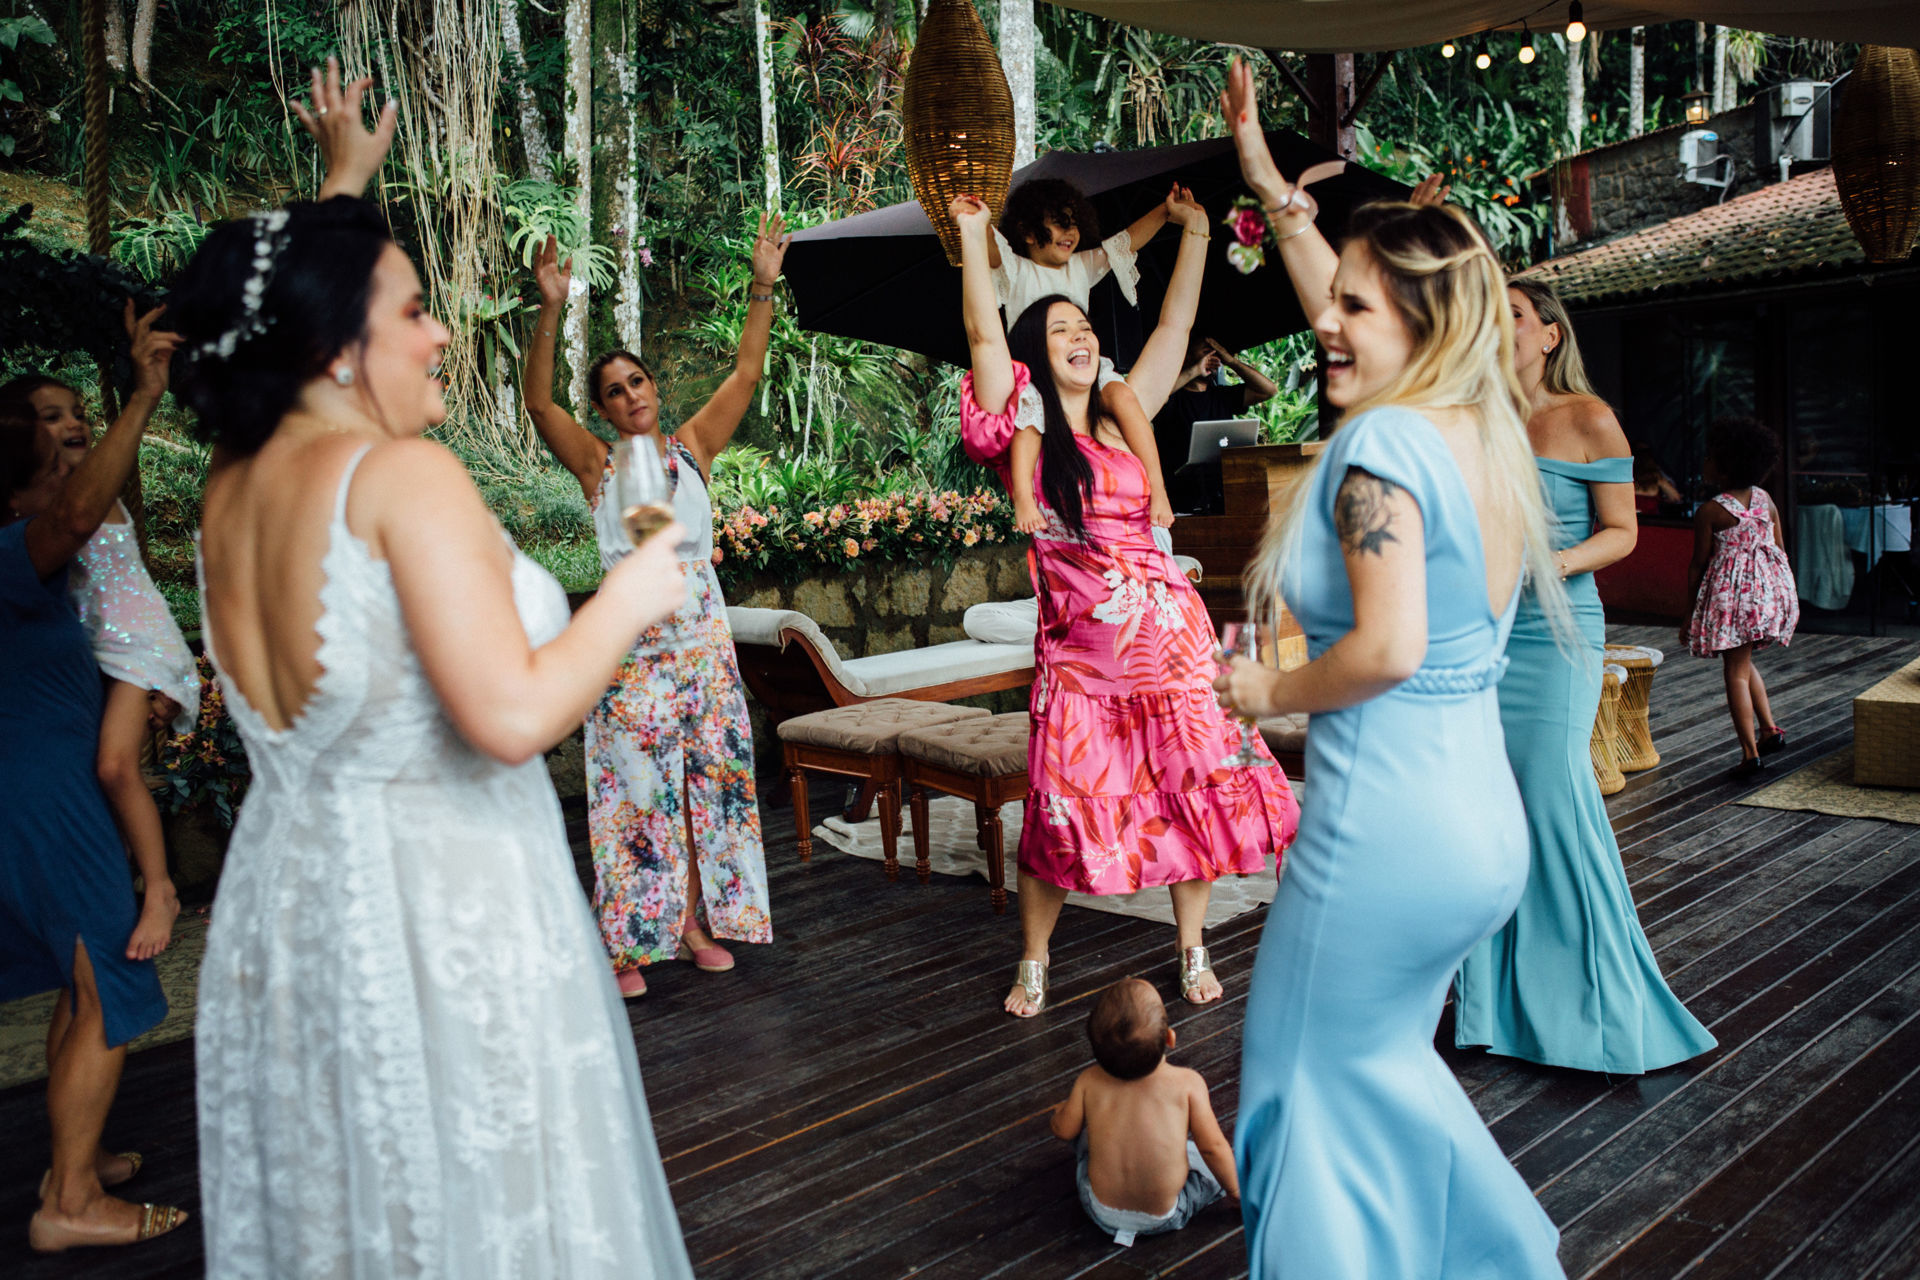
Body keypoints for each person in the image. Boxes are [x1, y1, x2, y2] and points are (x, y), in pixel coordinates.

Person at [183, 62, 695, 1277]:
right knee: (480, 1201)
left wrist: (344, 185)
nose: (442, 333)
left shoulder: (228, 493)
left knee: (363, 1206)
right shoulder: (403, 478)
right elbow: (510, 713)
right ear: (335, 345)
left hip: (295, 912)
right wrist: (632, 593)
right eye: (414, 311)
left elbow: (310, 305)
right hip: (444, 912)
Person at [1214, 58, 1567, 1278]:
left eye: (1357, 309)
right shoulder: (1484, 431)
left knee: (1298, 1087)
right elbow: (1348, 306)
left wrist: (1265, 692)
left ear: (1416, 327)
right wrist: (1271, 185)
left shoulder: (1379, 445)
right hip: (1479, 833)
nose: (1329, 320)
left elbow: (1387, 648)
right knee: (1379, 1068)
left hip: (1386, 833)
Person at [952, 184, 1299, 1020]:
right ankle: (1035, 959)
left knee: (1191, 788)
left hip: (1172, 646)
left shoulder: (1121, 416)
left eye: (1085, 327)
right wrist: (971, 238)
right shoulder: (1022, 427)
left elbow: (1175, 328)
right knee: (1059, 805)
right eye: (1061, 329)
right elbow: (983, 332)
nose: (1081, 335)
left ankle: (1192, 945)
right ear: (1034, 352)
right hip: (1082, 662)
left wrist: (1197, 234)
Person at [1452, 278, 1716, 1075]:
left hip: (1557, 628)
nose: (1497, 326)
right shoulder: (1475, 417)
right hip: (1482, 631)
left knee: (1553, 795)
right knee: (1487, 806)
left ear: (1550, 334)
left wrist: (1551, 565)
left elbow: (1622, 530)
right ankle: (1490, 1007)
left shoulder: (1588, 417)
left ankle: (1594, 1001)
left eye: (1513, 314)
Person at [523, 217, 781, 999]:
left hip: (702, 645)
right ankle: (625, 941)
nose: (630, 394)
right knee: (634, 790)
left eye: (636, 381)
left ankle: (691, 922)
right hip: (632, 650)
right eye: (614, 390)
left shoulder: (692, 450)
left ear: (654, 387)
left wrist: (762, 284)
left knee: (708, 782)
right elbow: (539, 403)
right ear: (603, 409)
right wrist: (551, 308)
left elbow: (746, 372)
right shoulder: (597, 465)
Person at [2, 305, 186, 1252]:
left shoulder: (27, 551)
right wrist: (144, 392)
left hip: (41, 784)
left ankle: (73, 1161)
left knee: (79, 985)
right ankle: (70, 1203)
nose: (66, 436)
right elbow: (79, 514)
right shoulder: (17, 546)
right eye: (47, 424)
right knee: (108, 977)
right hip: (44, 793)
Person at [3, 372, 199, 962]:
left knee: (115, 767)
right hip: (101, 652)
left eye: (76, 412)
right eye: (51, 417)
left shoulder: (89, 492)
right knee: (99, 775)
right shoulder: (38, 506)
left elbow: (77, 515)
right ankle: (118, 878)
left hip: (136, 644)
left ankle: (160, 887)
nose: (71, 424)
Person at [1002, 184, 1193, 538]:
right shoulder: (1014, 269)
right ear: (1027, 232)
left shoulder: (1080, 265)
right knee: (1028, 422)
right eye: (1059, 223)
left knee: (1124, 396)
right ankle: (1024, 500)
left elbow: (1126, 242)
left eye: (1074, 222)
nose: (1070, 232)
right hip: (1037, 372)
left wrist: (1165, 211)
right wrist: (975, 219)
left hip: (1082, 366)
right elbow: (987, 248)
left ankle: (1158, 487)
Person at [1049, 977, 1237, 1246]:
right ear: (1170, 1038)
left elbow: (1065, 1131)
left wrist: (1060, 1114)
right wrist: (1236, 1191)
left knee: (1086, 1132)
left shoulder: (1089, 1081)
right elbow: (1213, 1148)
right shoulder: (1187, 1084)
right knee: (1207, 1160)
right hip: (1163, 1217)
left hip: (1099, 1209)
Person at [1684, 416, 1798, 778]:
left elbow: (1698, 564)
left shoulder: (1710, 511)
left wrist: (1688, 613)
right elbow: (1779, 551)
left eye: (1709, 457)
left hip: (1731, 601)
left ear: (1724, 466)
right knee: (1743, 662)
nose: (1704, 462)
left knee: (1734, 671)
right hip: (1764, 596)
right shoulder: (1767, 501)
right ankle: (1769, 730)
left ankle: (1749, 753)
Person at [1151, 336, 1279, 515]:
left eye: (1216, 353)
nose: (1213, 356)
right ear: (1187, 356)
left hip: (1223, 493)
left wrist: (1231, 361)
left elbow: (1269, 390)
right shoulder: (1171, 397)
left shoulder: (1222, 395)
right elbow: (1153, 395)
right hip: (1180, 498)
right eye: (1206, 351)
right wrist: (1195, 370)